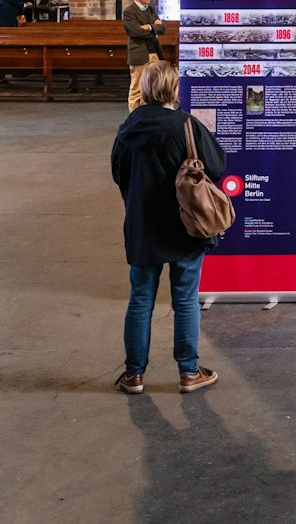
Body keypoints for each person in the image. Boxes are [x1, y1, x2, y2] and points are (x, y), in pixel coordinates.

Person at [110, 60, 224, 396]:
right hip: (184, 226)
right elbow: (217, 166)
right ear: (174, 90)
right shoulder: (186, 125)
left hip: (142, 226)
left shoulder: (128, 128)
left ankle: (133, 376)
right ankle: (189, 373)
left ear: (144, 89)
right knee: (186, 299)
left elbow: (118, 173)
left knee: (140, 299)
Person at [122, 0, 165, 111]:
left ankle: (150, 115)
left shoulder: (151, 10)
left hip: (154, 54)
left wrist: (148, 27)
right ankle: (134, 117)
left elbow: (162, 28)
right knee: (137, 88)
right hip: (139, 54)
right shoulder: (129, 12)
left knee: (153, 87)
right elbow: (135, 32)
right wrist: (154, 30)